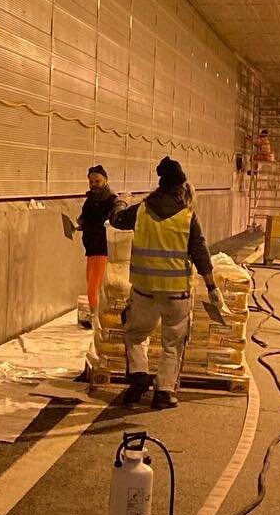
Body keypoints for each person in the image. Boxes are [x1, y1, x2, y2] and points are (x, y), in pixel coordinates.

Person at [109, 157, 222, 410]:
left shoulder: (141, 210)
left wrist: (120, 202)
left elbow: (116, 220)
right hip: (177, 295)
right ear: (181, 187)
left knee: (135, 334)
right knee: (173, 342)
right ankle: (164, 392)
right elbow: (200, 251)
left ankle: (138, 376)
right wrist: (212, 287)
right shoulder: (188, 216)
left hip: (144, 290)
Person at [77, 164, 122, 322]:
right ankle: (96, 315)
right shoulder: (90, 200)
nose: (94, 184)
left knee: (94, 287)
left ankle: (96, 317)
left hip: (102, 248)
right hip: (91, 247)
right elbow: (85, 217)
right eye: (91, 181)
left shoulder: (112, 200)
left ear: (106, 180)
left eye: (97, 181)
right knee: (92, 284)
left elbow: (118, 214)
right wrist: (80, 223)